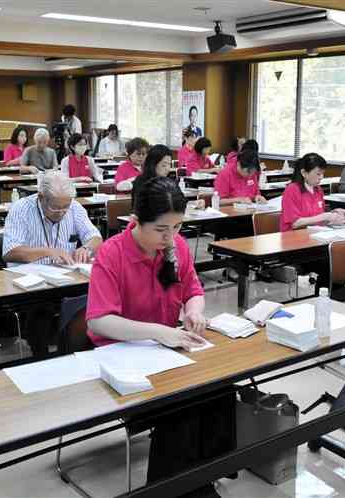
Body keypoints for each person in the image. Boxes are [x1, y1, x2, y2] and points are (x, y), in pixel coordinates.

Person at [87, 177, 233, 498]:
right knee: (181, 403)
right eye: (161, 230)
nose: (170, 238)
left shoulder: (175, 246)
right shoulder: (112, 255)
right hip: (123, 357)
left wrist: (195, 311)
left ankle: (205, 475)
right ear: (136, 222)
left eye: (177, 228)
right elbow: (99, 321)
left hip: (165, 350)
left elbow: (193, 289)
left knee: (220, 386)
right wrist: (162, 333)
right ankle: (171, 489)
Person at [3, 171, 102, 265]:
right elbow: (9, 252)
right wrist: (47, 251)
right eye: (55, 208)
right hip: (27, 277)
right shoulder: (21, 209)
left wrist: (86, 248)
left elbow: (95, 237)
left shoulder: (74, 207)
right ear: (41, 197)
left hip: (65, 274)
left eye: (66, 207)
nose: (61, 213)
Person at [280, 153, 345, 231]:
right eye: (318, 174)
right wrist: (325, 216)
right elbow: (295, 223)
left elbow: (318, 215)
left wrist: (334, 213)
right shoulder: (292, 190)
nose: (321, 177)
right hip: (294, 236)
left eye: (322, 173)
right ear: (304, 173)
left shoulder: (318, 189)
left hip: (315, 233)